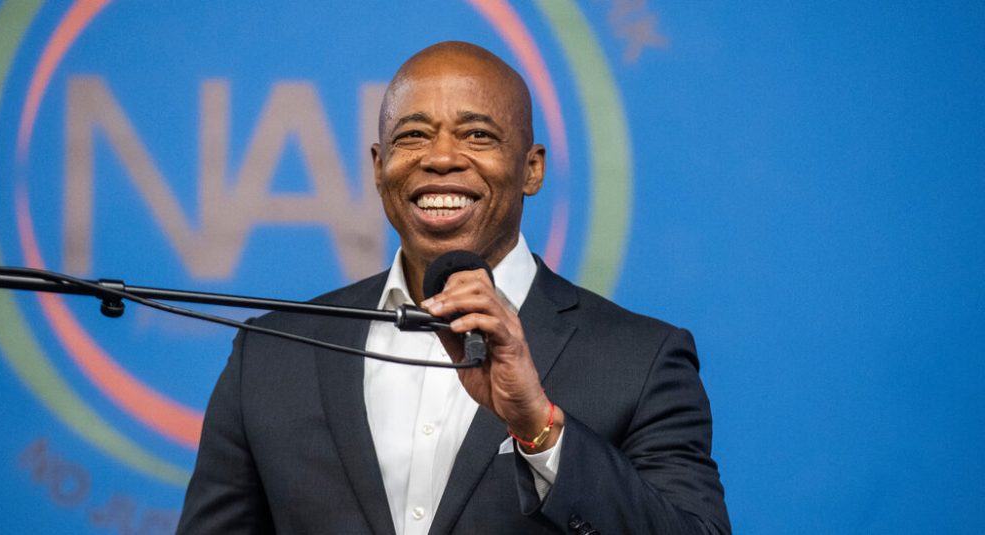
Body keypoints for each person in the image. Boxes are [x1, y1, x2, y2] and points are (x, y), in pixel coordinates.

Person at [177, 41, 730, 534]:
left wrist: (540, 427)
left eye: (478, 135)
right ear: (379, 166)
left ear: (531, 169)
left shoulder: (642, 360)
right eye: (413, 135)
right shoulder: (269, 355)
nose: (441, 158)